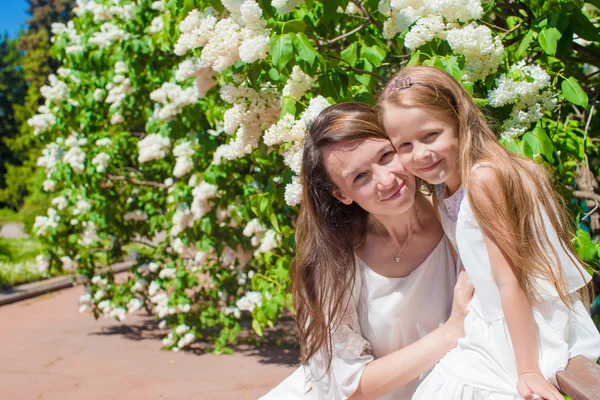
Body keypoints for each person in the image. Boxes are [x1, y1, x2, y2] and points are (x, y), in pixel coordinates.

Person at [378, 65, 600, 400]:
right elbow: (470, 260)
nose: (420, 154)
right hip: (489, 315)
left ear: (459, 121)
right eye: (404, 145)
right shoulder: (441, 192)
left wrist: (527, 370)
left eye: (430, 135)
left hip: (524, 325)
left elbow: (511, 281)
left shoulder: (484, 179)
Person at [262, 102, 474, 399]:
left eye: (386, 156)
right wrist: (451, 332)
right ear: (341, 194)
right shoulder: (335, 259)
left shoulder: (454, 213)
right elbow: (349, 389)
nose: (387, 181)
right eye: (360, 177)